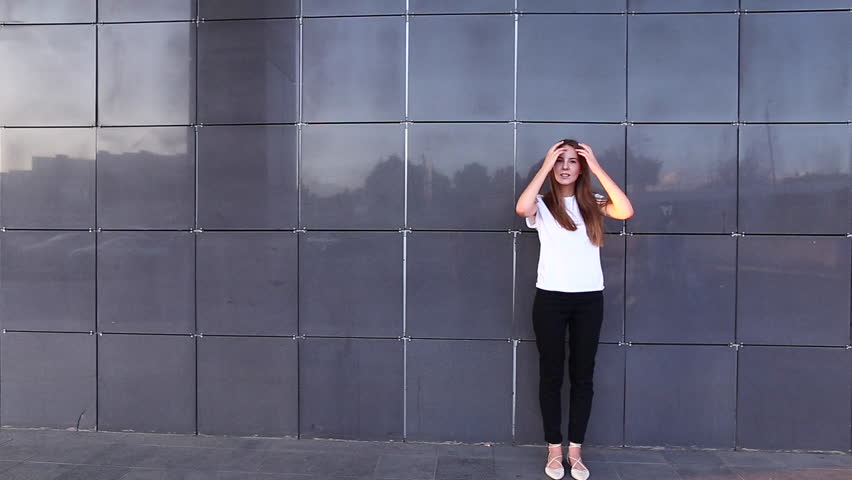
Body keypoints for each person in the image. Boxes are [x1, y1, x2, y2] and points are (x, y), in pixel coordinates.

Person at [515, 139, 633, 480]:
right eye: (559, 161)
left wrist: (595, 165)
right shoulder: (542, 203)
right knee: (551, 375)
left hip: (588, 300)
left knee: (583, 376)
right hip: (550, 300)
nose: (565, 167)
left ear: (581, 168)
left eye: (572, 161)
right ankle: (554, 449)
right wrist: (542, 167)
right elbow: (522, 208)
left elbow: (625, 210)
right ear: (551, 167)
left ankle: (576, 451)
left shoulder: (594, 202)